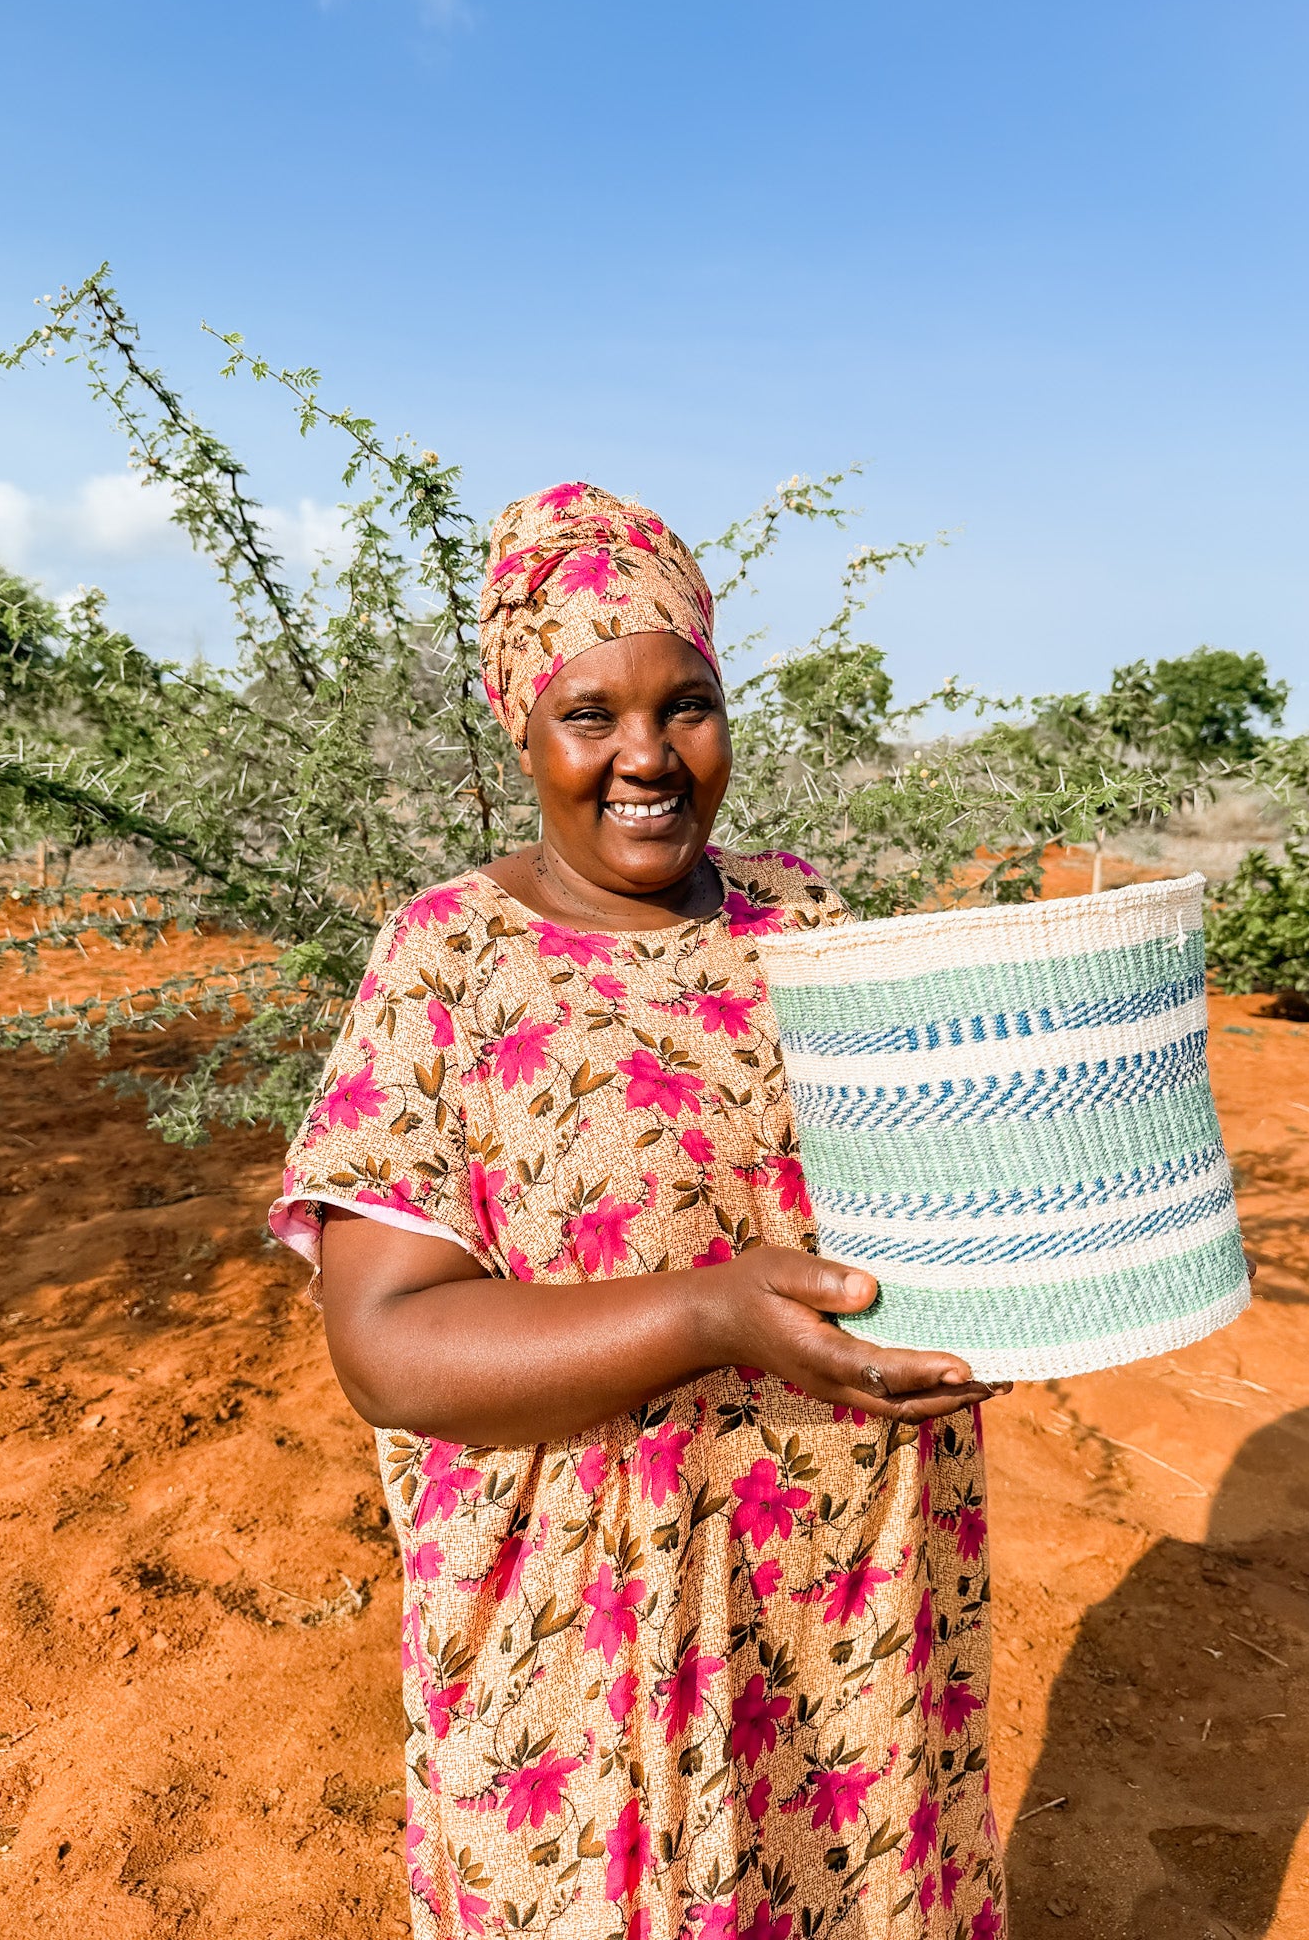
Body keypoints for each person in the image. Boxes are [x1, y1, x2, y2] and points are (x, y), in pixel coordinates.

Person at [270, 483, 1011, 1940]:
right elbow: (390, 1349)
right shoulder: (450, 962)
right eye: (590, 714)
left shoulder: (802, 922)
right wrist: (707, 1312)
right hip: (591, 1629)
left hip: (842, 1593)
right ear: (522, 731)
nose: (649, 757)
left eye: (689, 707)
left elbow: (912, 1197)